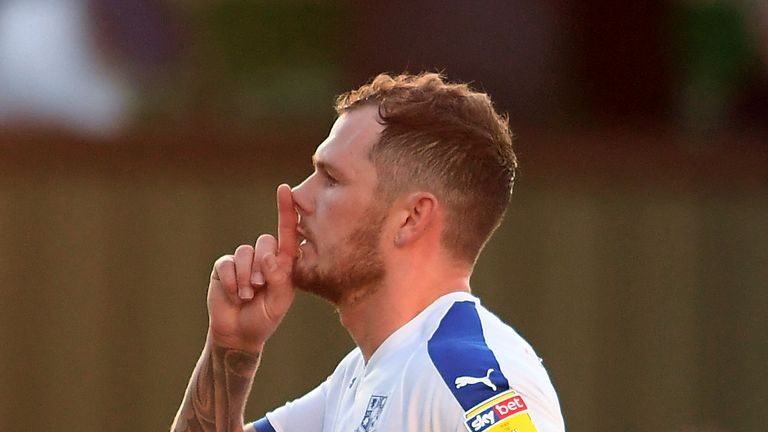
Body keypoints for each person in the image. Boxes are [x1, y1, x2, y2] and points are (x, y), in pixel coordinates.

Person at [170, 73, 566, 432]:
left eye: (331, 180)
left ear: (411, 218)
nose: (298, 197)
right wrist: (232, 345)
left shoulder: (466, 375)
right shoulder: (357, 380)